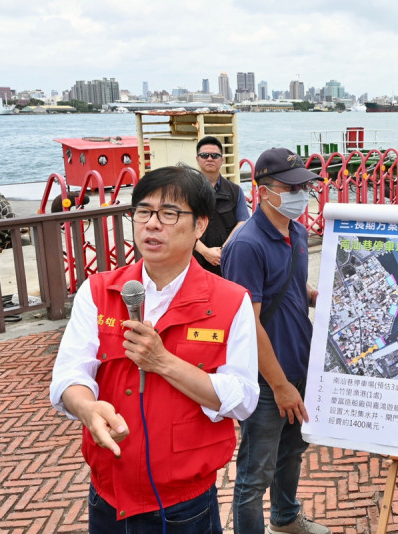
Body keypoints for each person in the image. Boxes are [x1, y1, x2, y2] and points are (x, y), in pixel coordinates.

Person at [49, 165, 260, 533]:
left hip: (186, 503)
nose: (152, 224)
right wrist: (85, 406)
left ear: (200, 226)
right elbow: (70, 372)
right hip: (108, 497)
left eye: (169, 214)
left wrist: (163, 362)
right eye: (144, 212)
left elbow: (243, 398)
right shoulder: (99, 291)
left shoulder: (230, 301)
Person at [222, 148, 327, 534]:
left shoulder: (296, 230)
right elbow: (247, 325)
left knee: (292, 453)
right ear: (263, 193)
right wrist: (280, 385)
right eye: (292, 187)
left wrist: (315, 295)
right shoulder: (246, 246)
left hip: (300, 365)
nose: (303, 193)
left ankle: (285, 518)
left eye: (306, 185)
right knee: (255, 471)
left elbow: (293, 284)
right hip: (268, 380)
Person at [193, 135, 249, 275]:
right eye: (204, 155)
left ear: (222, 160)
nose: (210, 159)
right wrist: (205, 252)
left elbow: (243, 222)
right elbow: (180, 226)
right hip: (194, 261)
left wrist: (223, 250)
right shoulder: (186, 190)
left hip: (227, 260)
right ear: (197, 159)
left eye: (215, 155)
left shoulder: (235, 191)